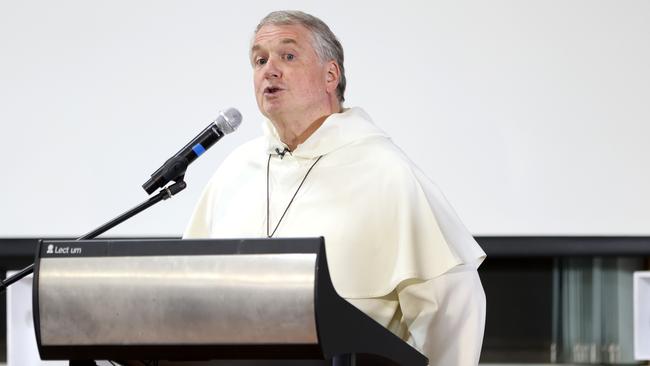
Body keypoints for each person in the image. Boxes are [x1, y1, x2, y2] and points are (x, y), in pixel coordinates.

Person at [184, 10, 486, 365]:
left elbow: (453, 306)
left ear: (331, 75)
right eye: (259, 60)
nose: (269, 69)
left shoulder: (386, 171)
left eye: (288, 55)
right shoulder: (235, 169)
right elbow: (191, 293)